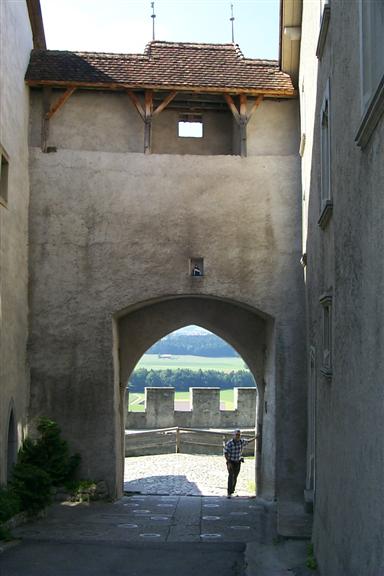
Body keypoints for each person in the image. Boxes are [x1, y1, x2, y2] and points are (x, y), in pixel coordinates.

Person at [224, 428, 257, 498]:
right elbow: (226, 452)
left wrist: (255, 437)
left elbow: (248, 441)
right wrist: (228, 462)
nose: (238, 436)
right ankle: (229, 492)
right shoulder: (229, 443)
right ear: (233, 435)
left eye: (239, 435)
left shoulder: (241, 442)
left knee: (235, 476)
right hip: (231, 461)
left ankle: (232, 490)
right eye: (236, 434)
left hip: (237, 462)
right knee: (231, 476)